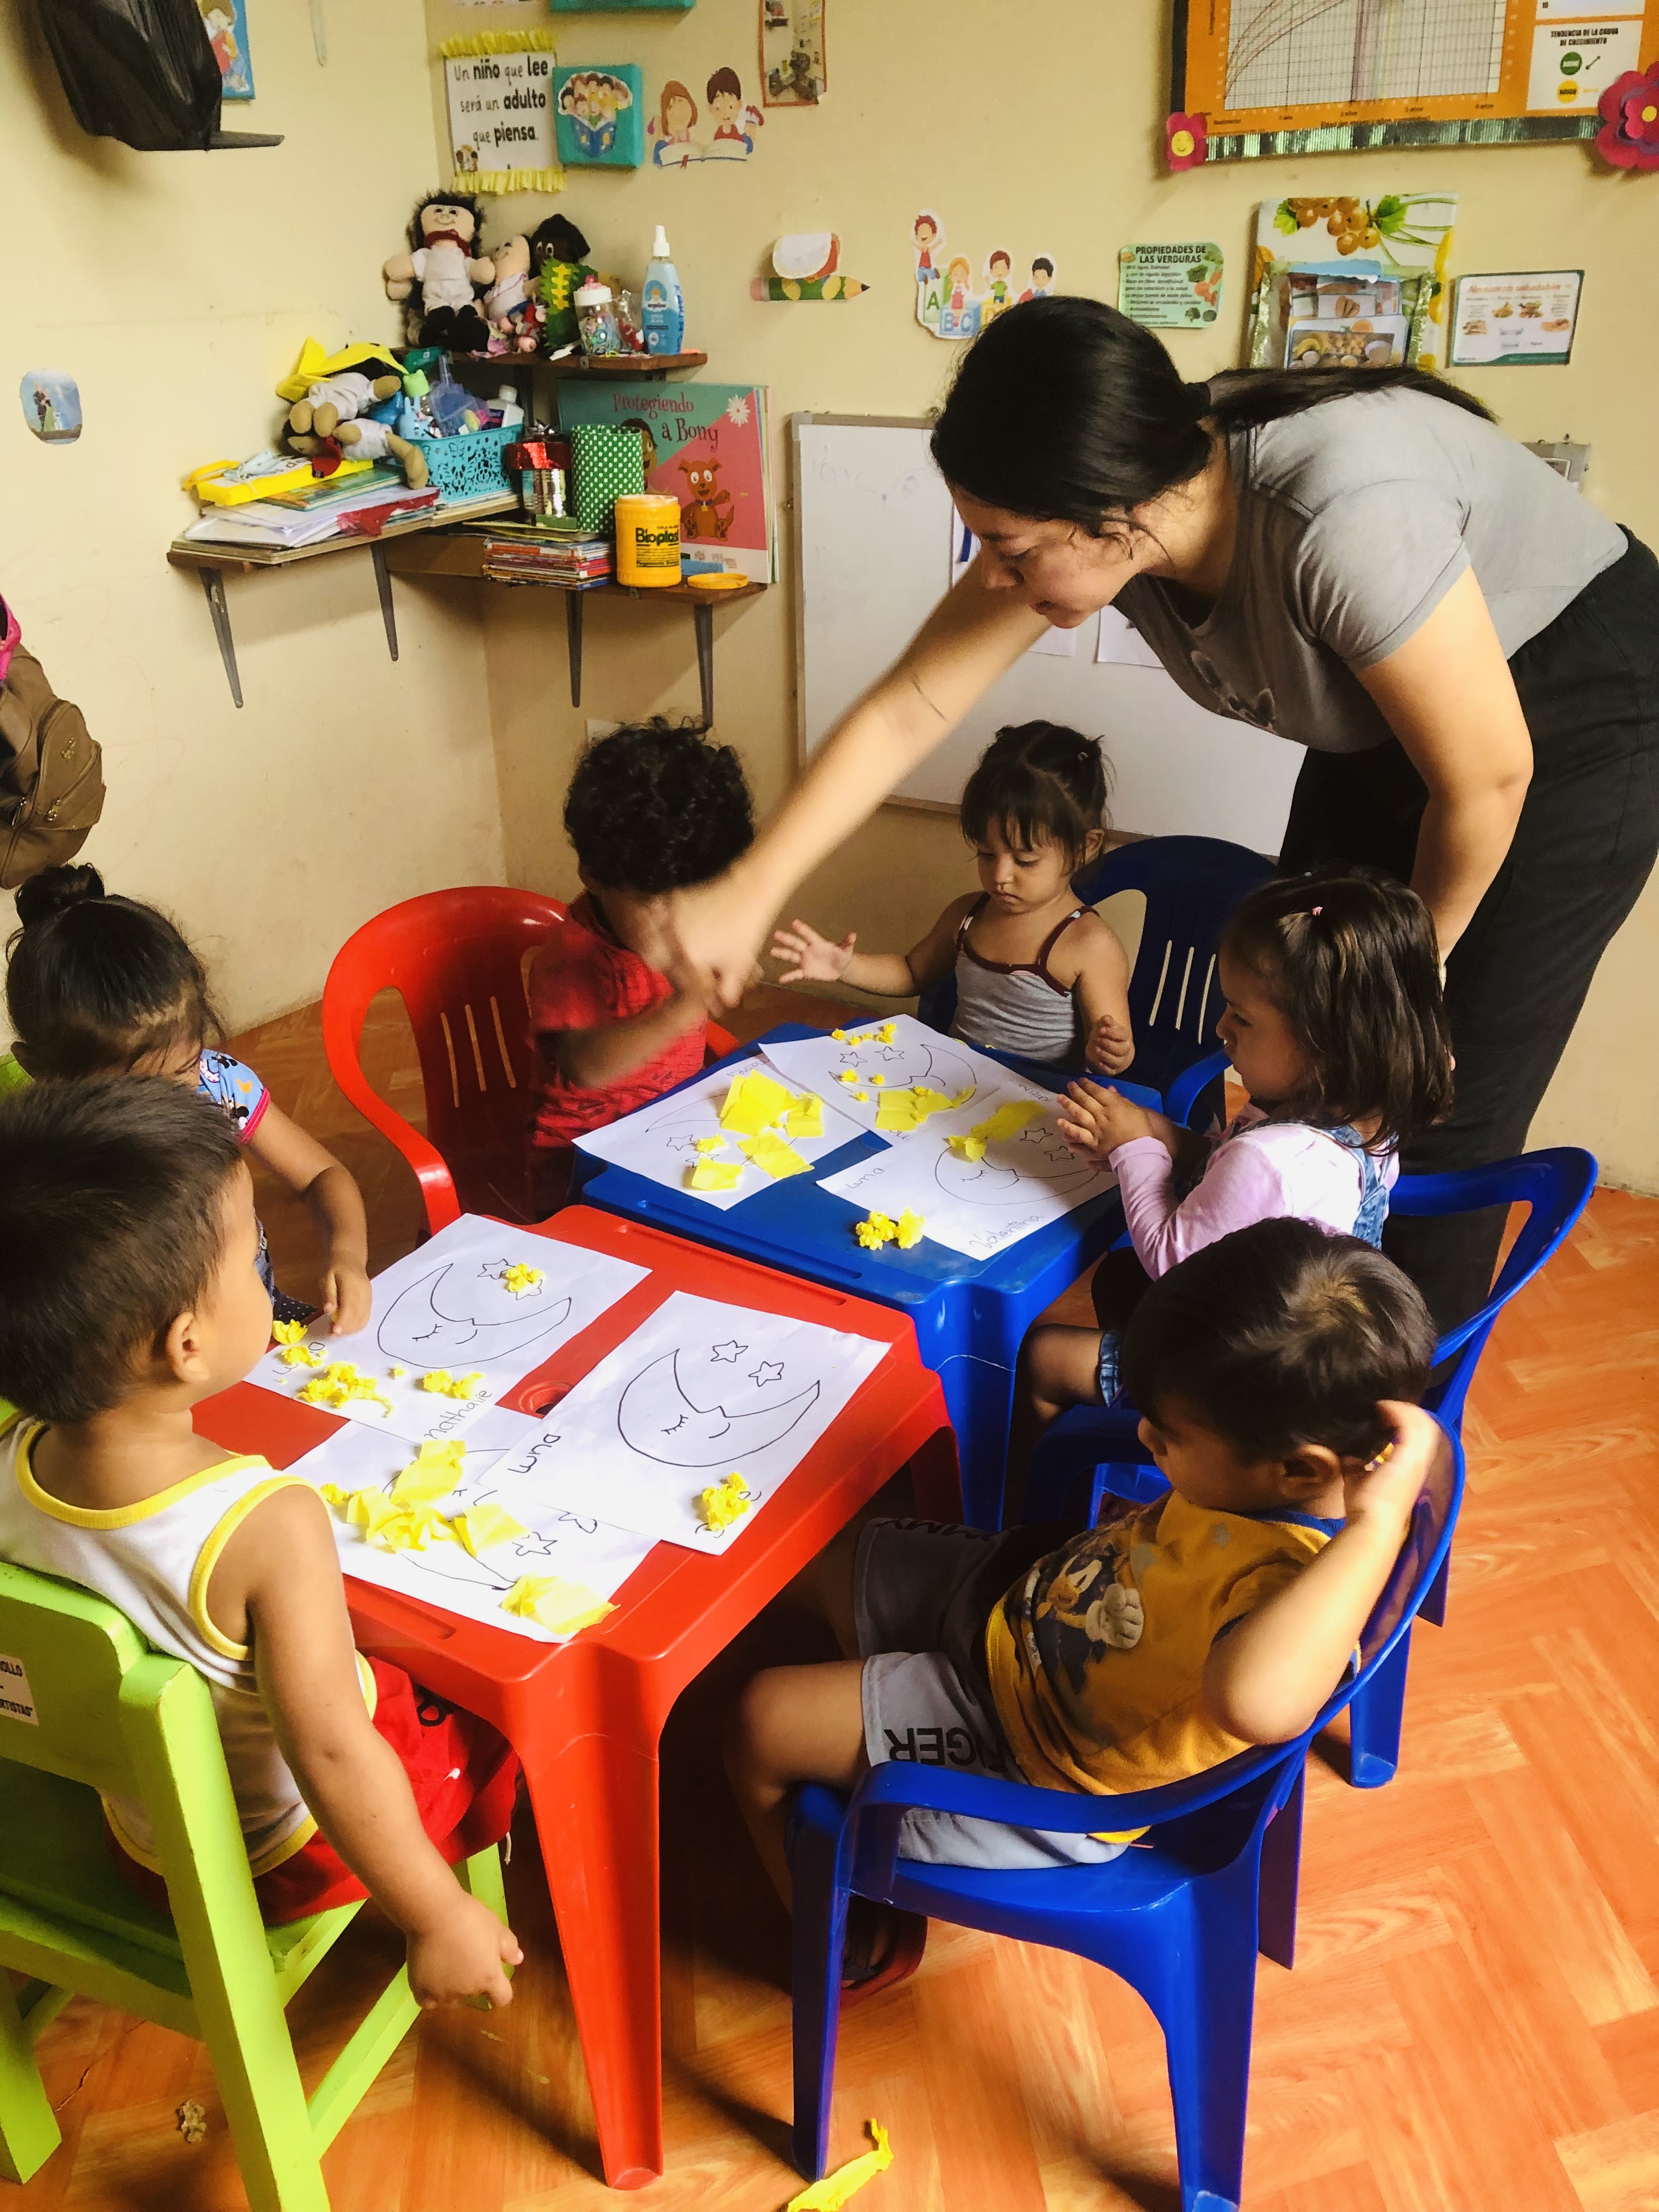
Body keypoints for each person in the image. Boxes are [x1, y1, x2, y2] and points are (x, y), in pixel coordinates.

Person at [665, 298, 1659, 1333]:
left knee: (1412, 1089)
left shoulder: (1338, 518)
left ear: (1109, 508)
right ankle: (1228, 1339)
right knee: (1286, 1026)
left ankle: (1373, 1405)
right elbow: (907, 705)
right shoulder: (1122, 513)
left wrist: (1399, 988)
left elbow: (1486, 779)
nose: (992, 577)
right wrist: (751, 887)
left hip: (1571, 722)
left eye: (1009, 549)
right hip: (1393, 731)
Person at [725, 1218, 1443, 1987]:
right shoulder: (1260, 1474)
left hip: (1030, 1753)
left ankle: (843, 1945)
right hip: (1022, 1608)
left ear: (1300, 1471)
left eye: (1168, 1437)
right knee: (833, 1556)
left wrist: (1377, 1528)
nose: (1144, 1435)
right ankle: (872, 1711)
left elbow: (1257, 1703)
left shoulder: (1292, 1586)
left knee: (759, 1721)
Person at [0, 1079, 522, 2003]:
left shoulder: (11, 1458)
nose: (263, 1274)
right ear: (186, 1346)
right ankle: (464, 1887)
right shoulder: (264, 1523)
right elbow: (330, 1751)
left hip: (139, 1838)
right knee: (480, 1704)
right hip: (279, 1858)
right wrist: (436, 1918)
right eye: (253, 1260)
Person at [1024, 862, 1452, 1422]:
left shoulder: (1269, 1160)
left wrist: (1135, 1152)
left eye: (1242, 1019)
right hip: (1297, 1347)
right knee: (1118, 1278)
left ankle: (1111, 1455)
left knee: (1043, 1357)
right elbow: (1229, 1176)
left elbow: (1173, 1261)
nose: (1221, 1028)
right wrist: (1158, 1132)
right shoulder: (1358, 1117)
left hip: (1239, 1389)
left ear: (1325, 1047)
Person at [0, 864, 369, 1331]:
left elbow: (321, 1175)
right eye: (132, 1093)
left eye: (182, 1071)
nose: (167, 1105)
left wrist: (347, 1255)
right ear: (42, 1070)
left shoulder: (218, 1088)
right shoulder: (38, 1161)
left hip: (256, 1321)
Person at [771, 721, 1133, 1075]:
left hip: (1038, 1098)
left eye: (1025, 860)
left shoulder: (1090, 944)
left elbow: (1113, 1053)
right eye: (986, 854)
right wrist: (845, 967)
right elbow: (912, 972)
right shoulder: (968, 915)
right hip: (955, 1086)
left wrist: (1109, 1053)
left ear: (1085, 847)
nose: (1000, 876)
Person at [528, 719, 754, 1214]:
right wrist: (684, 1007)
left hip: (669, 1134)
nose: (681, 925)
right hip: (583, 1168)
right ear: (593, 875)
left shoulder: (676, 932)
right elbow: (587, 1070)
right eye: (655, 903)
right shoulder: (573, 957)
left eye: (696, 897)